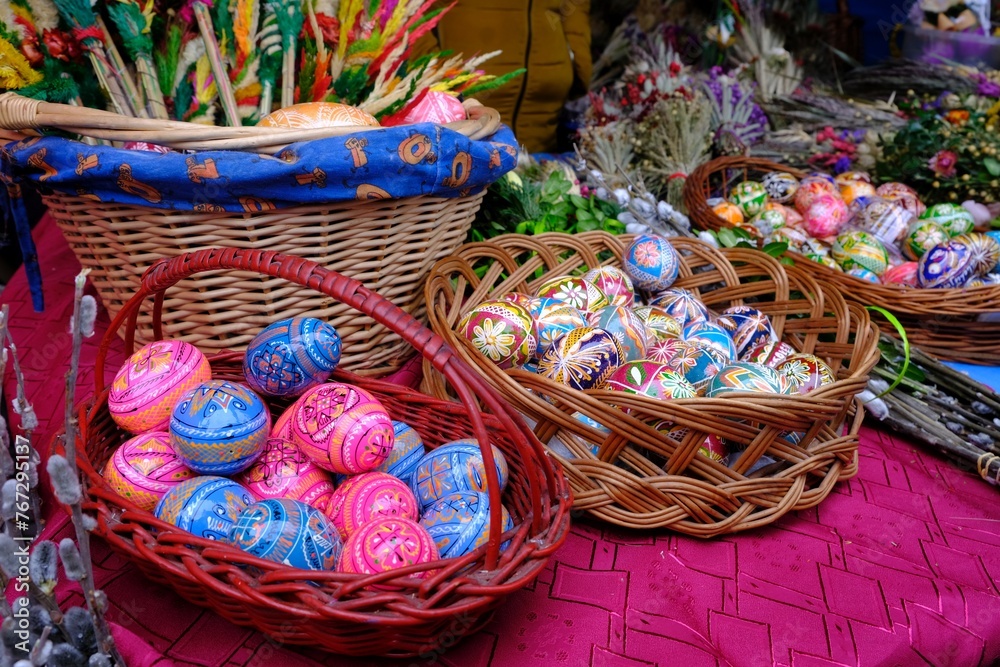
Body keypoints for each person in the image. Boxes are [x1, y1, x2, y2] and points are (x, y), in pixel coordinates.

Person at [419, 0, 592, 153]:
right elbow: (410, 13)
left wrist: (578, 64)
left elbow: (576, 8)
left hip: (543, 118)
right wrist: (437, 74)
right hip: (466, 114)